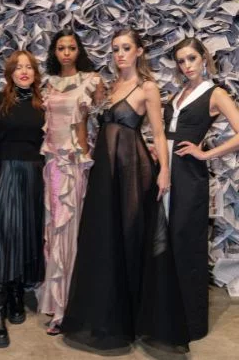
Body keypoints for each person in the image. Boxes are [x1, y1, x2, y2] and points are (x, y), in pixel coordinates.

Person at [62, 28, 170, 350]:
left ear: (139, 51)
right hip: (104, 174)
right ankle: (104, 315)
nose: (120, 54)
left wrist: (164, 171)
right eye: (115, 49)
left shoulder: (147, 87)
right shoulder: (109, 87)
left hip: (132, 172)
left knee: (130, 237)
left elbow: (159, 134)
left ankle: (131, 319)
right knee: (104, 239)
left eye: (125, 48)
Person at [137, 38, 239, 351]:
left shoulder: (215, 93)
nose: (186, 65)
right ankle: (162, 314)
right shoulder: (179, 93)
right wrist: (158, 151)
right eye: (181, 61)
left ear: (204, 58)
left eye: (192, 58)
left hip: (189, 176)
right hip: (165, 171)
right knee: (161, 238)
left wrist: (206, 154)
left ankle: (189, 321)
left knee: (185, 242)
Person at [36, 28, 103, 335]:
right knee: (54, 230)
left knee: (72, 231)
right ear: (54, 51)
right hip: (52, 164)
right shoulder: (47, 83)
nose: (66, 53)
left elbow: (102, 120)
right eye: (61, 47)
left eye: (71, 47)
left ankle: (71, 305)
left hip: (76, 163)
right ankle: (56, 301)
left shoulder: (92, 81)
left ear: (79, 51)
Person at [0, 51, 46, 348]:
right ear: (9, 72)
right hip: (7, 172)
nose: (24, 71)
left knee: (26, 236)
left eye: (29, 67)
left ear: (35, 72)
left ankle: (16, 294)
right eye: (18, 67)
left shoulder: (43, 104)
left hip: (35, 174)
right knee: (5, 237)